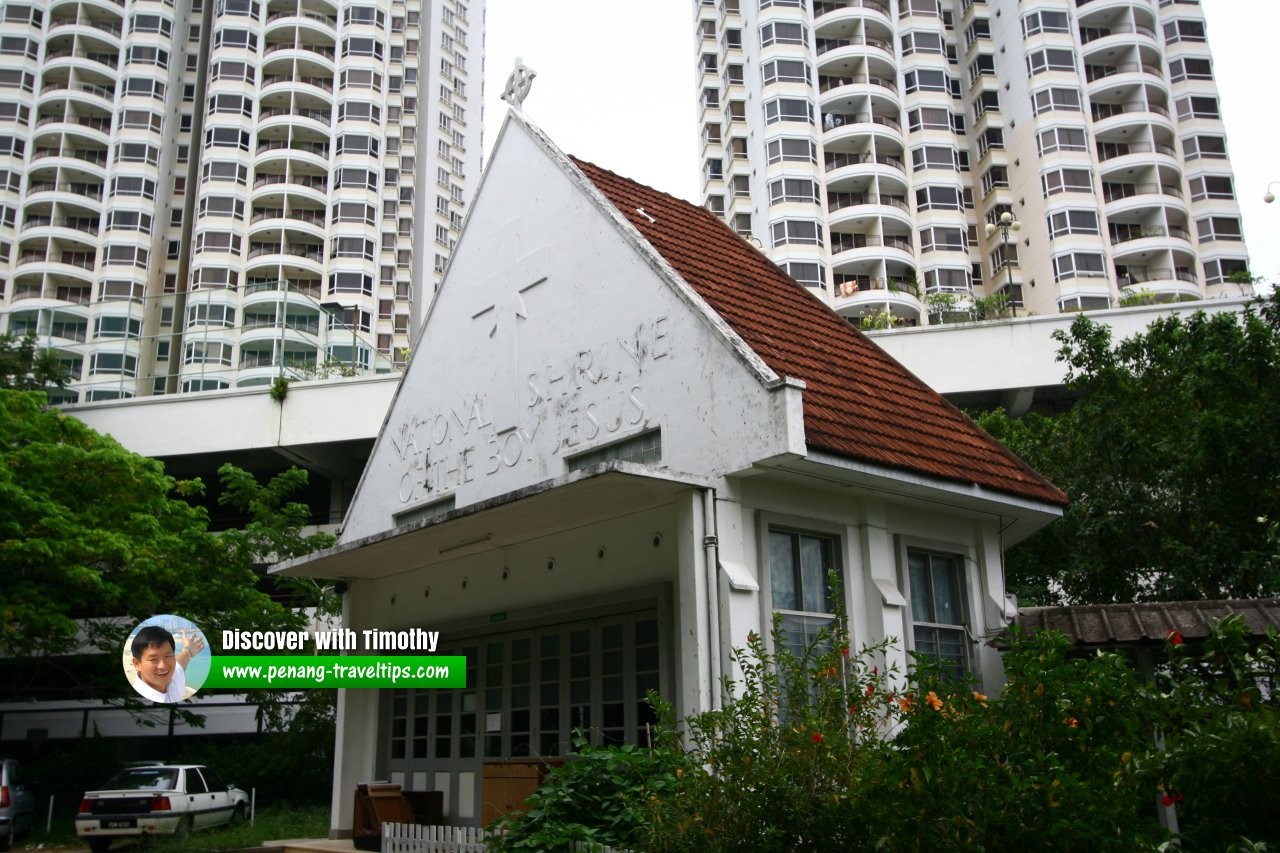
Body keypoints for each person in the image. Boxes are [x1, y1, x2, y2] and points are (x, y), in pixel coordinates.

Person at [129, 625, 205, 703]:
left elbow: (180, 663)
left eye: (167, 656)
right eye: (153, 659)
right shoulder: (137, 700)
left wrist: (188, 650)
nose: (163, 666)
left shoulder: (173, 677)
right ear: (137, 664)